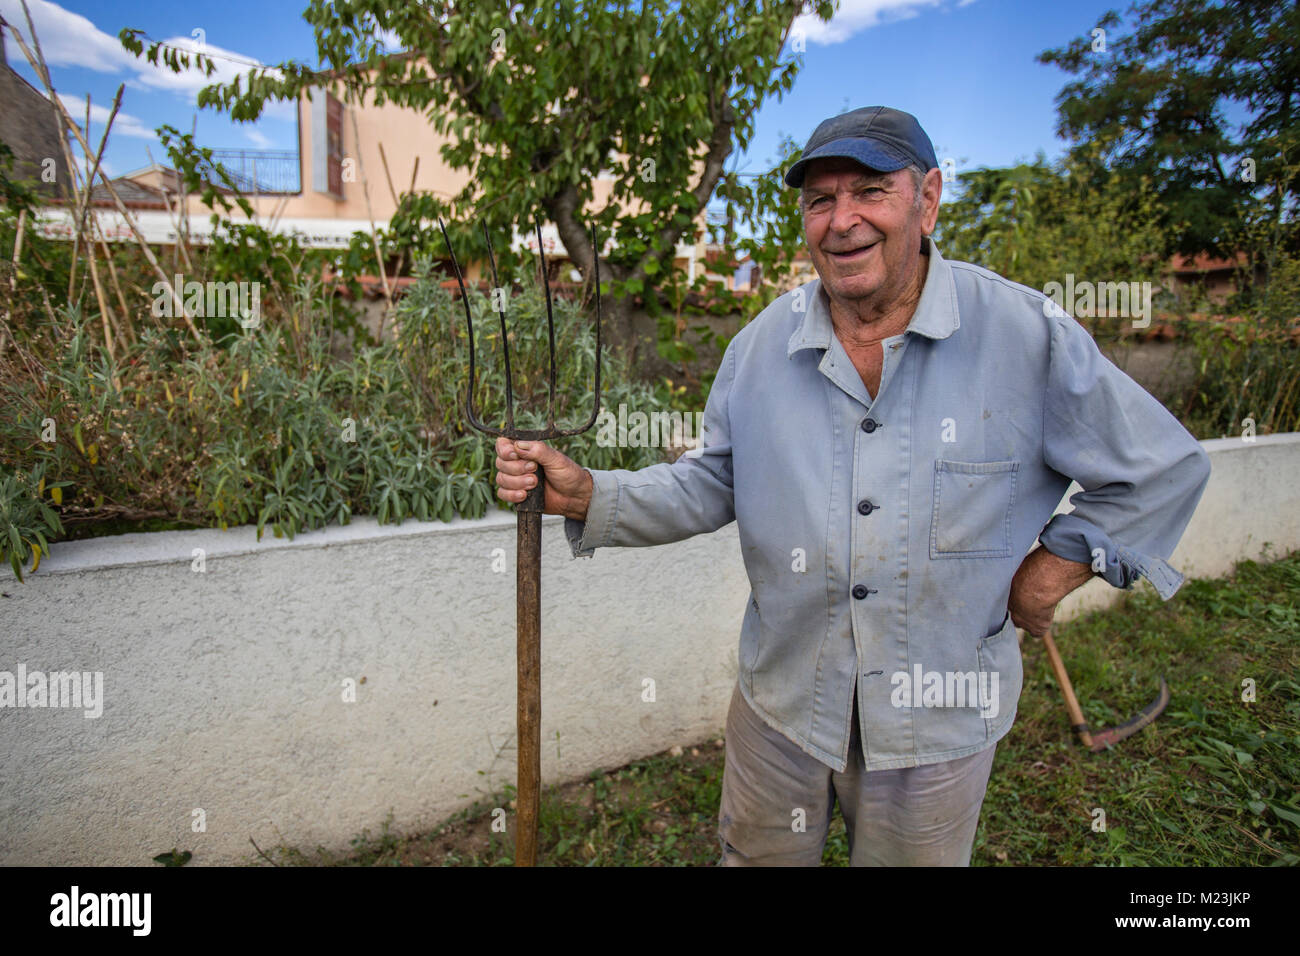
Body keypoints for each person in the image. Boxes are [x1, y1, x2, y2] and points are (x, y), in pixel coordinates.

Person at [492, 106, 1211, 866]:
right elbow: (713, 481)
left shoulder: (1025, 334)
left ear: (928, 199)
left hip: (937, 722)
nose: (842, 222)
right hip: (784, 707)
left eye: (870, 191)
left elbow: (1161, 469)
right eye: (819, 201)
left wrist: (1051, 570)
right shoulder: (761, 347)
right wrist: (586, 495)